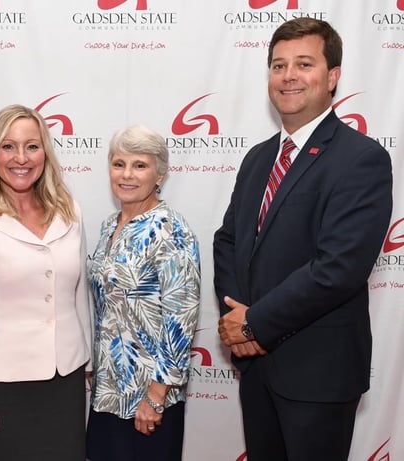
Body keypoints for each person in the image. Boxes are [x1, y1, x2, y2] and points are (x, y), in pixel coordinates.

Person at [214, 18, 393, 461]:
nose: (288, 75)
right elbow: (228, 242)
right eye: (278, 65)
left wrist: (256, 323)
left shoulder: (362, 159)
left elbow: (338, 268)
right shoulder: (258, 158)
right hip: (257, 369)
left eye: (304, 64)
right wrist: (240, 324)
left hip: (318, 375)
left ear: (332, 77)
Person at [0, 104, 92, 461]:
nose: (20, 158)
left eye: (32, 146)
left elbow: (77, 292)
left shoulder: (69, 210)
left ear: (45, 153)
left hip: (64, 379)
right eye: (8, 146)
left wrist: (87, 361)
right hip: (0, 385)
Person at [86, 125, 200, 461]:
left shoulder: (171, 230)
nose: (127, 175)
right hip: (107, 393)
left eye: (140, 165)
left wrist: (155, 395)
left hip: (148, 399)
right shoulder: (109, 225)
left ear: (160, 175)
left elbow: (181, 319)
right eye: (119, 164)